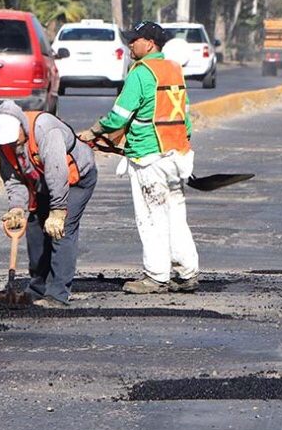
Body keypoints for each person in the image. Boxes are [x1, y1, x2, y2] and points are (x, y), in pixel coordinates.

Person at [78, 21, 199, 295]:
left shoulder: (142, 73)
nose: (130, 44)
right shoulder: (173, 70)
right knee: (176, 216)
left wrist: (94, 131)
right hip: (178, 155)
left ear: (150, 44)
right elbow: (186, 119)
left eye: (135, 40)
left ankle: (156, 277)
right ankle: (187, 273)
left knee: (152, 216)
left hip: (149, 158)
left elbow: (119, 116)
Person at [0, 100, 97, 309]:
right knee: (34, 225)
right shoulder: (4, 143)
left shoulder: (45, 129)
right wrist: (17, 208)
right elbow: (14, 177)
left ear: (22, 126)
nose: (12, 144)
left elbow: (57, 172)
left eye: (16, 139)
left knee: (61, 229)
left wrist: (58, 211)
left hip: (76, 179)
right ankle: (37, 287)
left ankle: (58, 294)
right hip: (43, 182)